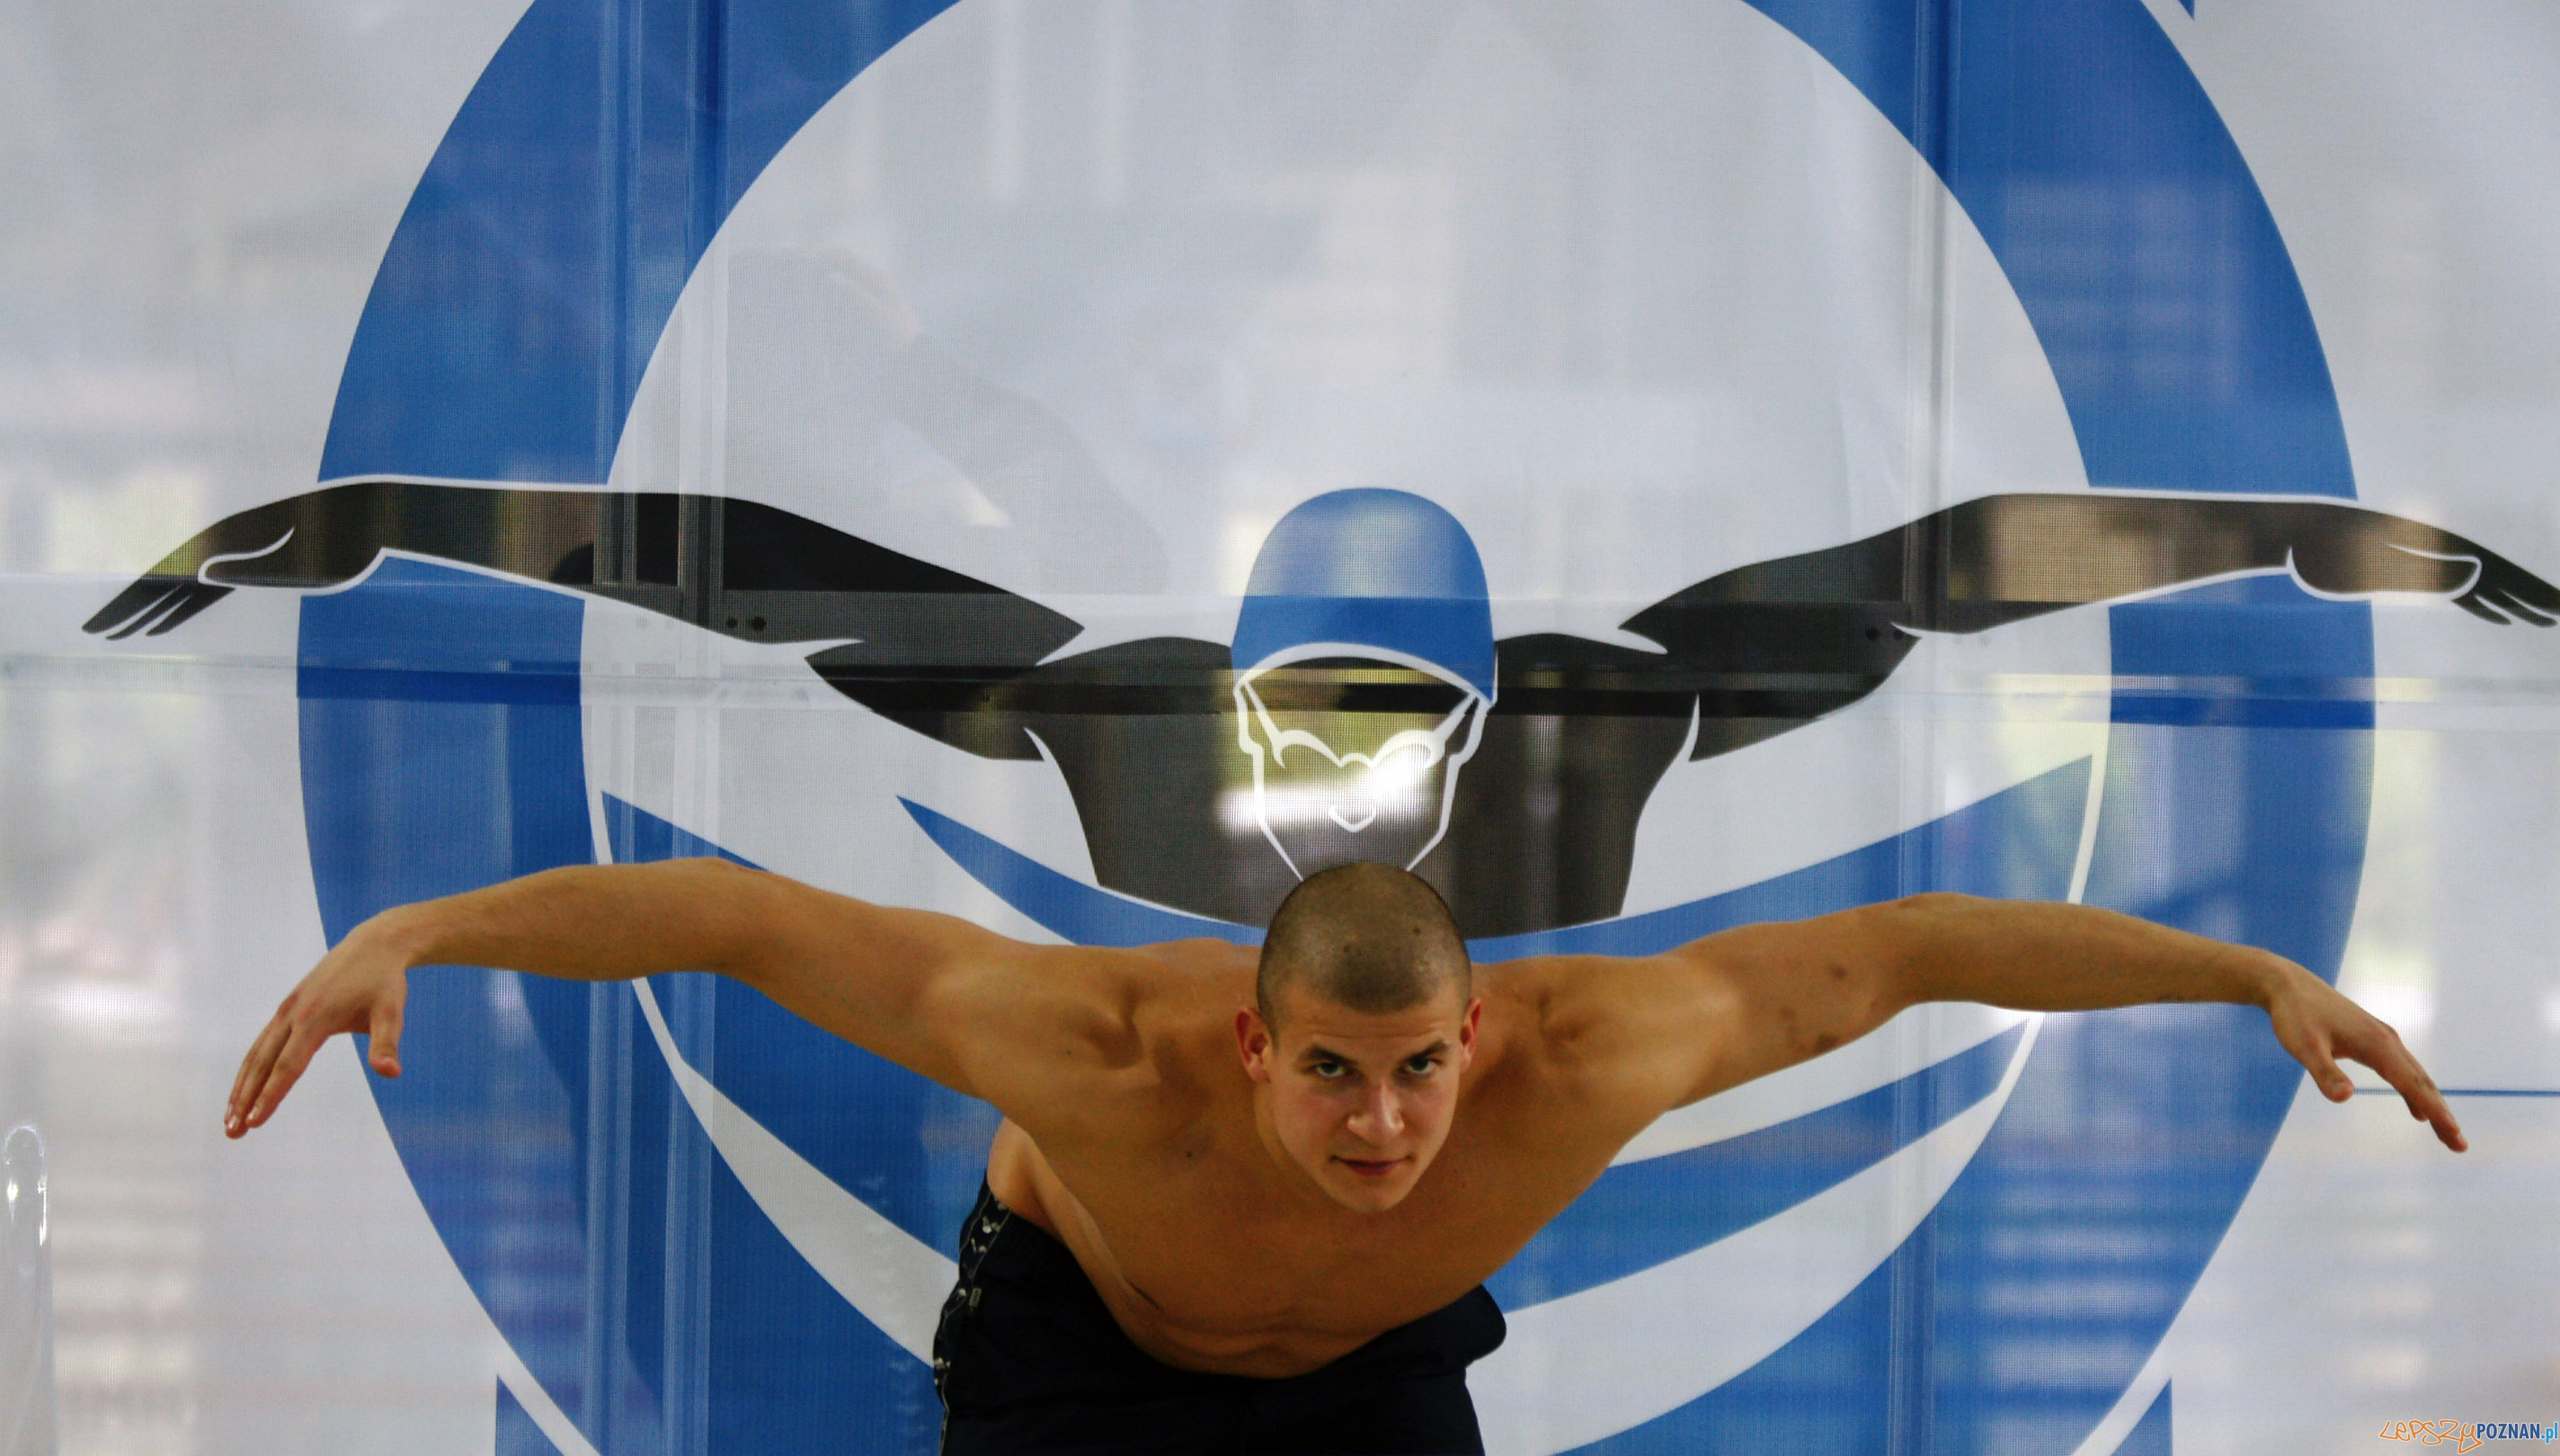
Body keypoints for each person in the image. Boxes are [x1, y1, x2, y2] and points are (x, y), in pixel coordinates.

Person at [223, 857, 2463, 1454]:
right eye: (1330, 1078)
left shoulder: (1594, 1055)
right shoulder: (1089, 1044)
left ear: (1478, 1038)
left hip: (1372, 1394)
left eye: (1418, 1075)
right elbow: (723, 913)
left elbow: (1899, 954)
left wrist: (2242, 968)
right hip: (1079, 1373)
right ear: (1246, 1038)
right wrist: (415, 932)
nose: (1383, 1127)